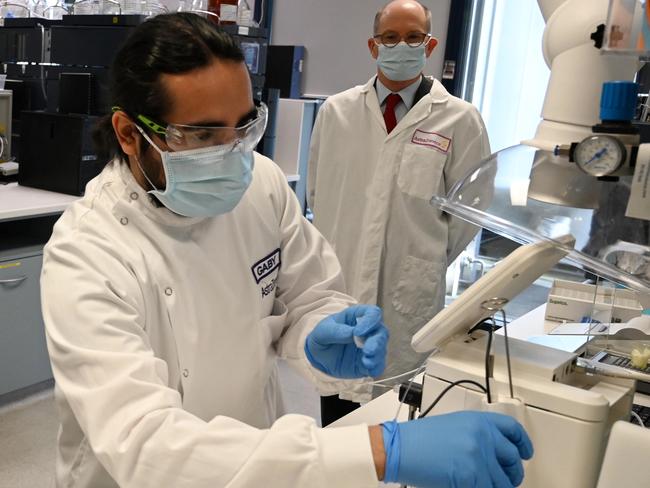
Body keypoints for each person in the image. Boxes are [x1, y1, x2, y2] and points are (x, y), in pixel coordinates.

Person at [41, 13, 531, 488]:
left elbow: (306, 294)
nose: (234, 153)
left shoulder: (261, 186)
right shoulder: (87, 253)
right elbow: (144, 443)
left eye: (244, 125)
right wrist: (382, 451)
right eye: (204, 135)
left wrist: (318, 330)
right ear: (130, 134)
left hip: (260, 458)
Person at [308, 0, 491, 421]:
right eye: (390, 37)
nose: (401, 45)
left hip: (408, 291)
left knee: (396, 415)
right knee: (335, 410)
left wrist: (423, 257)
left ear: (430, 43)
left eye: (413, 36)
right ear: (374, 47)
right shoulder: (337, 111)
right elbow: (320, 192)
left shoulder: (459, 119)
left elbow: (470, 211)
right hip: (342, 279)